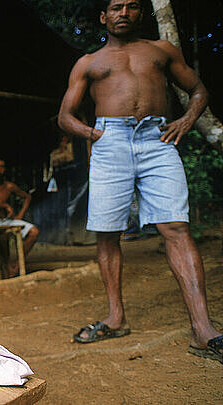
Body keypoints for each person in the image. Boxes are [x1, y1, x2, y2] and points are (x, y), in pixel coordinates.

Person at [57, 0, 222, 362]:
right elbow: (65, 116)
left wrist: (186, 121)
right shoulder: (89, 62)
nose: (124, 13)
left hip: (157, 139)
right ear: (104, 16)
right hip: (108, 142)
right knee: (107, 231)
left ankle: (202, 329)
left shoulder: (161, 50)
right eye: (116, 7)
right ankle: (116, 318)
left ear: (141, 14)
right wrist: (92, 133)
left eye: (132, 6)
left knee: (176, 227)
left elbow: (198, 90)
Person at [0, 158, 39, 275]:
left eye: (1, 167)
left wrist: (20, 215)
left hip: (7, 221)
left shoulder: (9, 186)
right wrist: (5, 205)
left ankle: (16, 264)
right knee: (2, 236)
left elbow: (27, 197)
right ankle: (7, 267)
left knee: (34, 232)